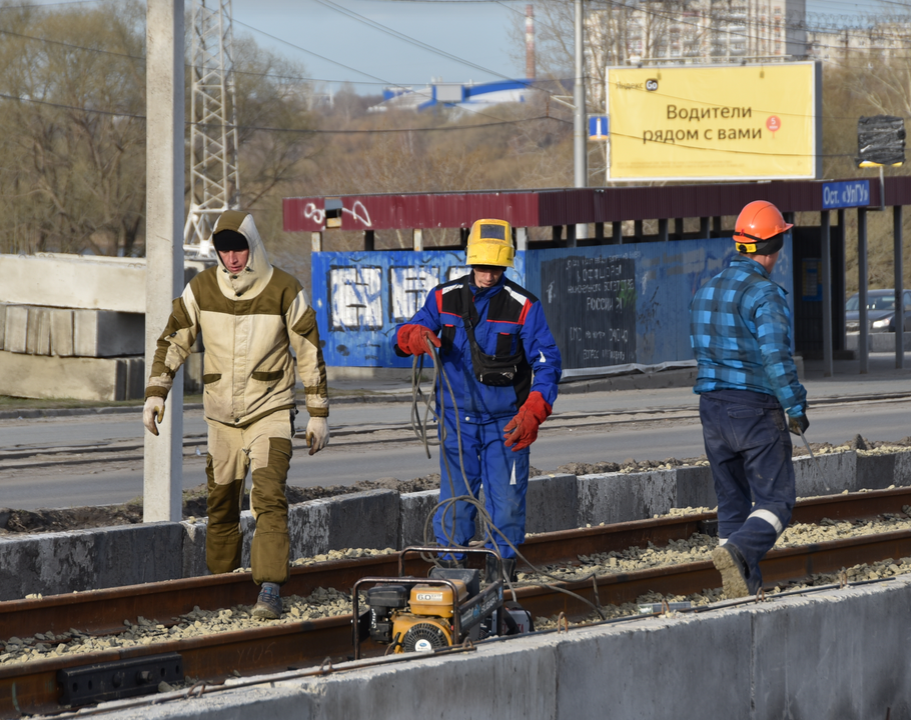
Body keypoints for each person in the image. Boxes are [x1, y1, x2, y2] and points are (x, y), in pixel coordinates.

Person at [142, 210, 329, 619]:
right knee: (221, 503)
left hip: (272, 411)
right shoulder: (201, 289)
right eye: (223, 249)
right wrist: (156, 392)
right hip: (220, 417)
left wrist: (318, 413)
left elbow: (309, 350)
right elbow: (173, 341)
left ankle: (269, 588)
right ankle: (221, 584)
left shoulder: (284, 288)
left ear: (253, 246)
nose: (231, 257)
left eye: (238, 247)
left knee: (268, 496)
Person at [394, 218, 561, 582]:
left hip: (508, 425)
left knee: (507, 503)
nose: (488, 274)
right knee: (455, 499)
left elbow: (547, 362)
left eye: (496, 267)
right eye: (483, 266)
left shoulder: (524, 306)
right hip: (456, 420)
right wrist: (414, 335)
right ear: (471, 262)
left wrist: (535, 410)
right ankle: (451, 575)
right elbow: (405, 334)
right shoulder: (442, 298)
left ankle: (502, 575)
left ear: (506, 265)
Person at [689, 200, 809, 599]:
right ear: (775, 244)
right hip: (755, 409)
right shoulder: (765, 294)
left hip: (711, 407)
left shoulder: (706, 290)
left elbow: (701, 349)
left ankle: (739, 588)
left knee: (732, 502)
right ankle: (740, 551)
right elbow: (776, 357)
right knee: (777, 499)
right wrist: (794, 406)